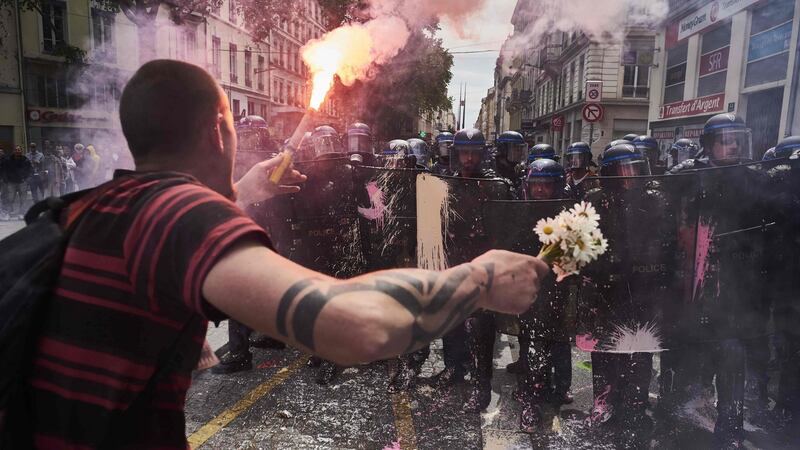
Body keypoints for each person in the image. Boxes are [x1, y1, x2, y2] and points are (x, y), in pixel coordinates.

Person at [12, 60, 549, 448]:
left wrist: (241, 193)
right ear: (216, 130)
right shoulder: (178, 214)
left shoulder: (98, 204)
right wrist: (479, 278)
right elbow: (350, 325)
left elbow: (165, 242)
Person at [668, 113, 766, 449]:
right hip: (698, 283)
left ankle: (730, 429)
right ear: (709, 144)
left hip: (737, 286)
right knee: (690, 353)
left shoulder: (751, 177)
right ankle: (681, 410)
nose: (734, 145)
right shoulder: (694, 174)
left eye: (737, 139)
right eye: (726, 140)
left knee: (732, 354)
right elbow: (667, 196)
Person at [582, 143, 673, 445]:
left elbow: (667, 241)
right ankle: (604, 401)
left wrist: (659, 272)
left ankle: (634, 407)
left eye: (634, 169)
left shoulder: (655, 201)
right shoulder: (593, 200)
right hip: (606, 285)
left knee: (640, 349)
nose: (628, 177)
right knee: (605, 348)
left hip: (643, 285)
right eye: (622, 171)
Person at [517, 159, 576, 431]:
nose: (540, 190)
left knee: (560, 343)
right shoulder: (522, 212)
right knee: (533, 346)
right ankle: (531, 400)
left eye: (546, 185)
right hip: (532, 289)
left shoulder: (568, 216)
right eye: (536, 185)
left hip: (560, 287)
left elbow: (575, 256)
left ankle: (560, 387)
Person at [2, 145, 32, 215]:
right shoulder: (8, 160)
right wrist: (6, 180)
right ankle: (8, 213)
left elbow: (30, 170)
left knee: (23, 199)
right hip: (11, 182)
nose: (17, 151)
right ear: (14, 151)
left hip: (22, 182)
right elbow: (4, 170)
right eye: (16, 150)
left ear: (21, 151)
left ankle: (21, 213)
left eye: (19, 150)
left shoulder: (26, 160)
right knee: (10, 198)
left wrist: (27, 179)